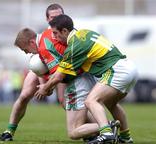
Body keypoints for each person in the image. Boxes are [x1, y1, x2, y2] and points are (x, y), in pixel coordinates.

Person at [35, 14, 138, 143]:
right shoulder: (84, 32)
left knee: (91, 101)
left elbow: (59, 76)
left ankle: (106, 132)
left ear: (65, 31)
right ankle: (126, 137)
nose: (54, 37)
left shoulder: (74, 46)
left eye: (55, 33)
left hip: (117, 70)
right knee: (111, 104)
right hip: (129, 67)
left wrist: (45, 87)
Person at [0, 3, 66, 141]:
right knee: (24, 95)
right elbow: (40, 56)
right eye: (53, 17)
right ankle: (9, 131)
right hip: (41, 65)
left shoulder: (66, 30)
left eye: (59, 16)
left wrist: (49, 85)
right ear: (47, 19)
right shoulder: (46, 33)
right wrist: (44, 83)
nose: (56, 18)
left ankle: (94, 130)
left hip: (59, 67)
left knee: (63, 101)